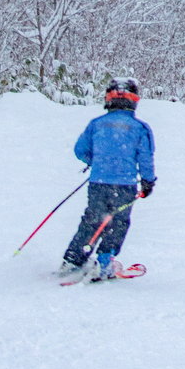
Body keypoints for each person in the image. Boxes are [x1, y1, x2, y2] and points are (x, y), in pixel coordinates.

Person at [59, 77, 156, 280]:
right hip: (125, 184)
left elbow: (80, 150)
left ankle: (73, 260)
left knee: (92, 219)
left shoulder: (97, 124)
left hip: (98, 183)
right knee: (118, 222)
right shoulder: (139, 128)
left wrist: (97, 162)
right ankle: (104, 261)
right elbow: (145, 157)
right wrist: (148, 181)